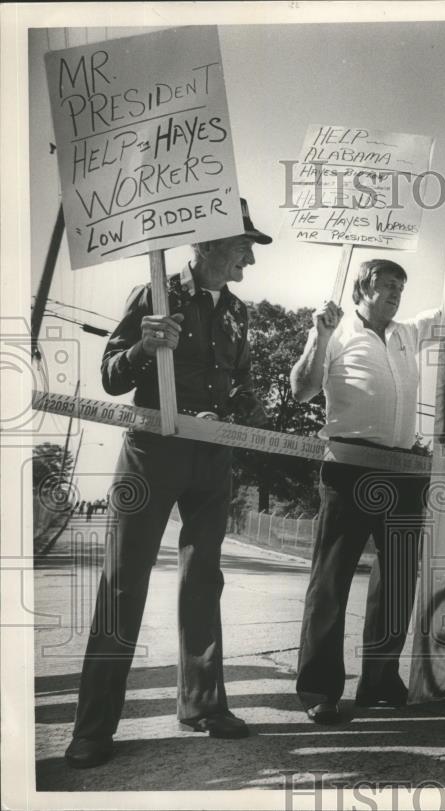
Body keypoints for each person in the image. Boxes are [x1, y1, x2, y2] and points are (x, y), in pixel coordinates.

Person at [64, 200, 272, 769]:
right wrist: (143, 347)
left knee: (204, 580)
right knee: (123, 585)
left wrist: (236, 418)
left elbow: (247, 390)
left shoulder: (239, 314)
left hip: (211, 461)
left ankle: (203, 705)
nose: (249, 259)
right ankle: (93, 727)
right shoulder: (153, 295)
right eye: (241, 245)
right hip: (149, 456)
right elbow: (110, 376)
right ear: (206, 243)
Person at [290, 257, 441, 724]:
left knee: (398, 582)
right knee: (330, 583)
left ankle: (379, 679)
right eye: (387, 284)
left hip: (402, 471)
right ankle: (319, 689)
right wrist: (319, 335)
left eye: (401, 285)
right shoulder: (333, 331)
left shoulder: (408, 333)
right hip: (348, 469)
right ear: (362, 288)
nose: (396, 292)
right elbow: (302, 390)